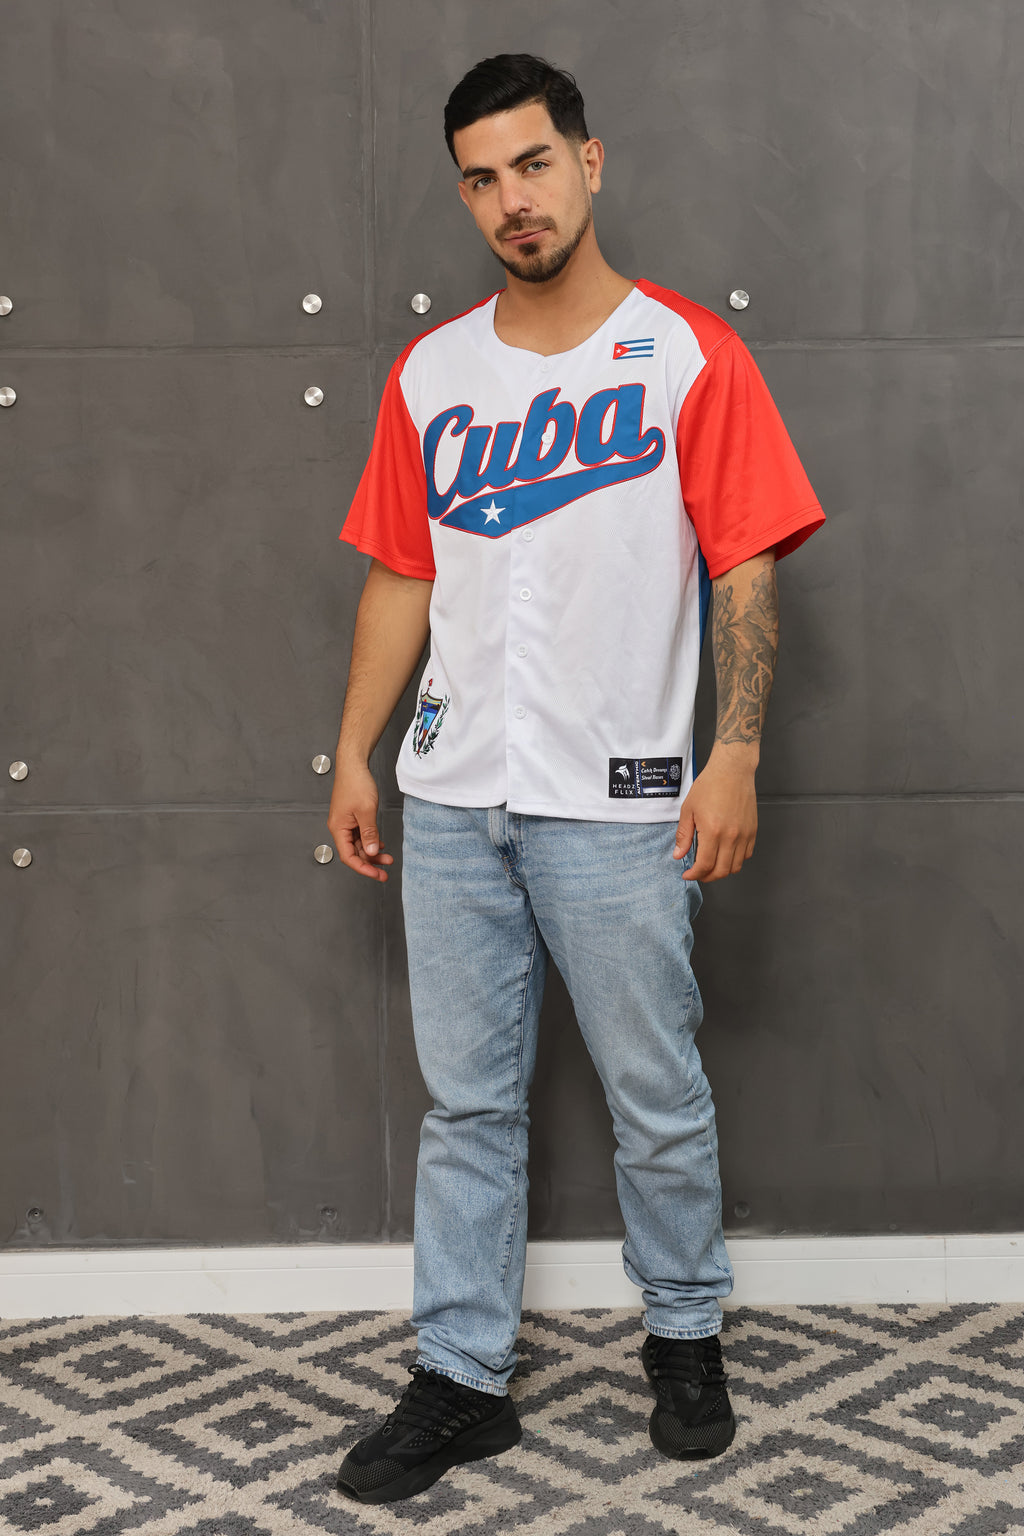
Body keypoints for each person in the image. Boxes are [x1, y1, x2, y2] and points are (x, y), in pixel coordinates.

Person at [328, 53, 825, 1505]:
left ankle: (684, 1336)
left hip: (619, 800)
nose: (510, 200)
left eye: (532, 165)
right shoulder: (433, 373)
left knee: (655, 1092)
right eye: (480, 177)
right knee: (466, 1106)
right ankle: (463, 1377)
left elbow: (743, 559)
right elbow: (401, 576)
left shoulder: (685, 354)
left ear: (589, 164)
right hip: (456, 789)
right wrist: (354, 750)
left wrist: (734, 749)